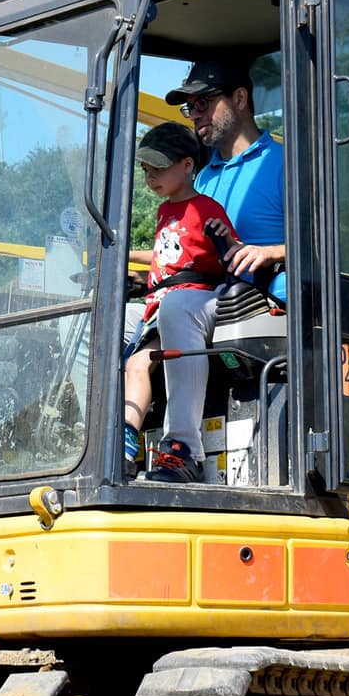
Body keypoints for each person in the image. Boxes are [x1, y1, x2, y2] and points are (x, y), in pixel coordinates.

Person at [124, 121, 238, 483]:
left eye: (159, 168)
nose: (151, 177)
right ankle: (124, 440)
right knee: (137, 363)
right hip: (162, 301)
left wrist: (229, 243)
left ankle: (183, 448)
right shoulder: (164, 212)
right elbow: (164, 255)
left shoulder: (206, 208)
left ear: (187, 166)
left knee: (171, 316)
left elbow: (232, 253)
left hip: (196, 295)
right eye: (146, 170)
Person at [167, 55, 287, 306]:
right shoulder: (202, 179)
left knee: (176, 307)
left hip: (272, 307)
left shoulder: (284, 165)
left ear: (240, 99)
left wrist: (269, 253)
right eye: (190, 108)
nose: (194, 116)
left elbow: (326, 249)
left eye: (203, 103)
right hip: (216, 299)